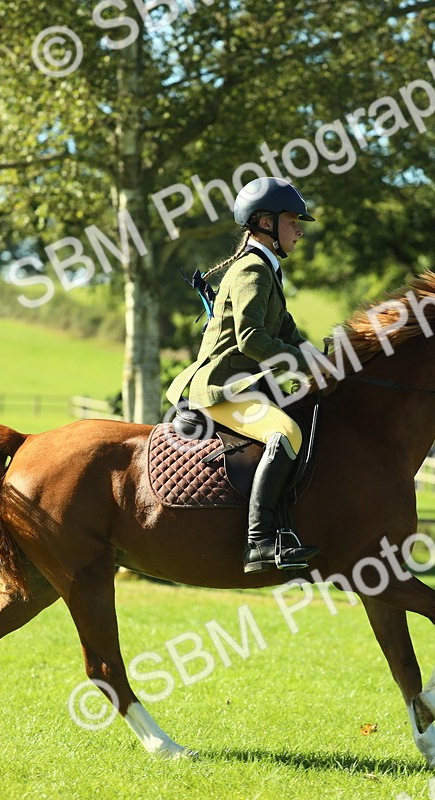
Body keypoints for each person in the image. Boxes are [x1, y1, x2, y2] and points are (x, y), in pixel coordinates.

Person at [165, 176, 321, 574]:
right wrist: (303, 364)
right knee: (286, 433)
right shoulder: (253, 270)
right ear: (266, 223)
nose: (299, 230)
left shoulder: (266, 269)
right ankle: (260, 542)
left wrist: (329, 361)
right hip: (220, 388)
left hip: (242, 386)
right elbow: (252, 340)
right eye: (292, 221)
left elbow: (286, 331)